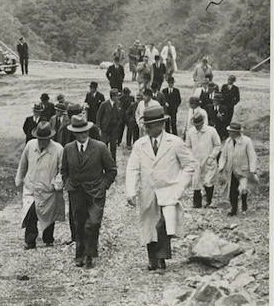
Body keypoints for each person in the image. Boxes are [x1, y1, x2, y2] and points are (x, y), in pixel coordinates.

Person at [125, 105, 195, 271]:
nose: (146, 129)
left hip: (168, 190)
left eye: (150, 126)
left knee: (163, 224)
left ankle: (162, 257)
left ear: (160, 125)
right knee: (149, 224)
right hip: (147, 190)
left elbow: (190, 164)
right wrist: (131, 191)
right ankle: (152, 259)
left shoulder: (175, 142)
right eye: (145, 126)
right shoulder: (139, 145)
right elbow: (132, 168)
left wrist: (180, 185)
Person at [61, 115, 117, 268]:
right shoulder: (68, 149)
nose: (83, 134)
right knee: (78, 223)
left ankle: (90, 254)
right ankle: (80, 255)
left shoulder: (100, 147)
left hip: (95, 193)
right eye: (79, 132)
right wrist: (68, 184)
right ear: (74, 133)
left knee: (92, 223)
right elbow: (64, 171)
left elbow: (111, 170)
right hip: (76, 192)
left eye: (85, 131)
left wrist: (103, 186)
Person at [16, 122, 65, 249]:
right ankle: (30, 241)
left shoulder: (58, 149)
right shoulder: (30, 145)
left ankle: (48, 239)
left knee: (49, 214)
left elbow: (62, 169)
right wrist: (20, 177)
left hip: (48, 188)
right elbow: (23, 163)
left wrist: (58, 182)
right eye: (40, 139)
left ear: (50, 138)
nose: (42, 142)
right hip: (31, 186)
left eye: (45, 140)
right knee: (30, 214)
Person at [218, 123, 258, 216]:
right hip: (232, 170)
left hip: (244, 170)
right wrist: (221, 166)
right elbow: (223, 156)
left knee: (243, 188)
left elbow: (252, 156)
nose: (229, 133)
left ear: (236, 132)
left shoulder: (247, 141)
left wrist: (252, 169)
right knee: (232, 190)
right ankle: (234, 209)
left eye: (230, 132)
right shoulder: (228, 141)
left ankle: (244, 203)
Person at [186, 113, 222, 208]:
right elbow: (188, 146)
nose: (197, 127)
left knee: (208, 180)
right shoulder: (190, 132)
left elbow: (217, 145)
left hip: (208, 159)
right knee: (196, 181)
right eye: (195, 125)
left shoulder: (211, 131)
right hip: (196, 160)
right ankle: (197, 203)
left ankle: (209, 201)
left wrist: (212, 156)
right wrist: (190, 157)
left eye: (198, 125)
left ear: (202, 123)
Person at [96, 88, 121, 161]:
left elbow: (119, 113)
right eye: (116, 96)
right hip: (105, 127)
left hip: (114, 127)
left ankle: (113, 161)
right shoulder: (104, 104)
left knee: (113, 145)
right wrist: (98, 126)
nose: (117, 97)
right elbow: (99, 115)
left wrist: (119, 121)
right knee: (104, 145)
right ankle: (104, 161)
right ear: (112, 96)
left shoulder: (118, 103)